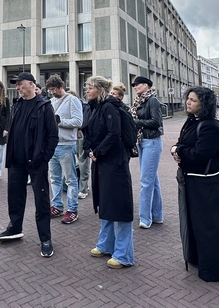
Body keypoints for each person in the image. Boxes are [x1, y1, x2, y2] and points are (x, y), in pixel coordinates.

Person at [171, 87, 219, 282]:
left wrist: (179, 151)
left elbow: (201, 154)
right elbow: (184, 143)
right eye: (188, 99)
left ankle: (214, 271)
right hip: (192, 180)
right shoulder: (191, 122)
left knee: (209, 227)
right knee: (194, 223)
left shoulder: (211, 126)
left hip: (207, 185)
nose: (188, 102)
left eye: (193, 100)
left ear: (203, 104)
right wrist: (179, 149)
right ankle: (198, 259)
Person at [0, 72, 59, 258]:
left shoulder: (44, 106)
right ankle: (14, 228)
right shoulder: (16, 105)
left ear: (31, 84)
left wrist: (44, 157)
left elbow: (53, 136)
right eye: (16, 85)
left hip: (36, 162)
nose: (17, 87)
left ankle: (45, 238)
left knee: (41, 200)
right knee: (14, 196)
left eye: (20, 84)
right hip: (16, 160)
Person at [83, 76, 134, 269]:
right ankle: (106, 244)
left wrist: (97, 152)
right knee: (105, 201)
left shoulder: (110, 107)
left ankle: (124, 254)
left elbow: (114, 134)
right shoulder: (95, 107)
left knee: (119, 205)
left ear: (100, 90)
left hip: (115, 162)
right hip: (103, 162)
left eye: (90, 87)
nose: (87, 90)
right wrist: (90, 150)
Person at [45, 75, 83, 224]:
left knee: (70, 179)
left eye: (53, 89)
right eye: (50, 90)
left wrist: (59, 121)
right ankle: (57, 206)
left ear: (61, 86)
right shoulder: (51, 101)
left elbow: (78, 121)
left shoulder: (73, 100)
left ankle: (73, 209)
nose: (52, 92)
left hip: (67, 144)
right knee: (54, 178)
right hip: (53, 145)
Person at [130, 76, 164, 229]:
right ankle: (157, 215)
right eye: (134, 85)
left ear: (146, 85)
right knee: (152, 180)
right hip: (142, 141)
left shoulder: (152, 101)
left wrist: (135, 122)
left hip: (152, 141)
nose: (135, 87)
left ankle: (145, 218)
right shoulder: (139, 101)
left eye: (137, 84)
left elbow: (156, 122)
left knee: (145, 181)